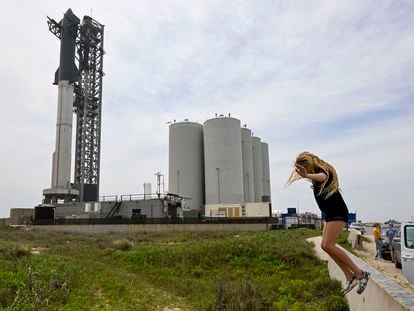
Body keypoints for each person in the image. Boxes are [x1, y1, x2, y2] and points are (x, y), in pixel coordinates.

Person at [286, 151, 370, 295]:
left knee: (328, 245)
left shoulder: (321, 170)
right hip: (330, 215)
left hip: (337, 213)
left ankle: (360, 274)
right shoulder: (316, 174)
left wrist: (307, 175)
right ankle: (349, 276)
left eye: (304, 168)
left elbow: (322, 177)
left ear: (308, 164)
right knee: (325, 246)